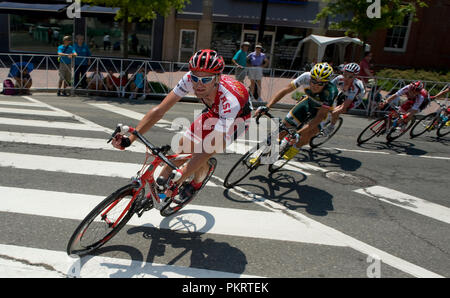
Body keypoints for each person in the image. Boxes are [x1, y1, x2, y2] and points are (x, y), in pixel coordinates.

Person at [111, 49, 251, 204]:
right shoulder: (189, 80)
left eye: (205, 80)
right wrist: (130, 139)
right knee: (182, 151)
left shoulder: (230, 100)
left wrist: (182, 174)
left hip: (237, 120)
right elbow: (159, 111)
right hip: (213, 111)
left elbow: (208, 148)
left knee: (202, 152)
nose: (198, 84)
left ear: (217, 78)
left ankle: (196, 183)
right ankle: (158, 192)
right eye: (195, 78)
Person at [254, 62, 337, 161]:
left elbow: (319, 117)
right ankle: (265, 153)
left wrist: (299, 133)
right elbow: (285, 90)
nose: (315, 85)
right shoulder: (305, 77)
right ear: (310, 77)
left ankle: (295, 149)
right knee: (284, 128)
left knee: (307, 135)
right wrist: (267, 107)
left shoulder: (331, 91)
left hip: (322, 112)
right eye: (313, 81)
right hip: (308, 103)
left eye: (320, 83)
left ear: (326, 83)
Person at [326, 62, 365, 134]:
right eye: (345, 74)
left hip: (354, 99)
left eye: (350, 77)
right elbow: (327, 88)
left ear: (355, 77)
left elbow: (344, 106)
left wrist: (334, 112)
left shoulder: (355, 87)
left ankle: (331, 126)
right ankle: (327, 119)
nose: (346, 78)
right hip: (344, 93)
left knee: (336, 112)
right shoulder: (339, 78)